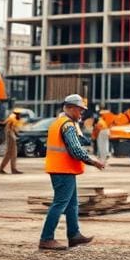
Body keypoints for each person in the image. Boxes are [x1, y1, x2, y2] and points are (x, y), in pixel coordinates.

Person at [38, 94, 107, 251]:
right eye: (80, 110)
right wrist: (92, 161)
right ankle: (46, 238)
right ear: (70, 108)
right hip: (63, 170)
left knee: (72, 204)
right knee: (60, 204)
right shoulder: (67, 125)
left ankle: (74, 235)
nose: (81, 113)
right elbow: (75, 150)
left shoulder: (60, 123)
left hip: (62, 169)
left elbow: (77, 143)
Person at [0, 109, 24, 174]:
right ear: (16, 114)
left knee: (13, 154)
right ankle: (8, 169)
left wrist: (16, 135)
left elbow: (14, 129)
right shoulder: (11, 118)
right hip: (10, 136)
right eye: (18, 114)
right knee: (10, 153)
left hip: (12, 136)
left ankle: (12, 169)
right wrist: (12, 136)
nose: (19, 115)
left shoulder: (15, 119)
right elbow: (8, 129)